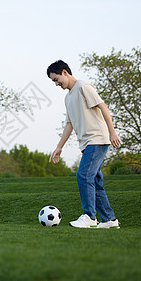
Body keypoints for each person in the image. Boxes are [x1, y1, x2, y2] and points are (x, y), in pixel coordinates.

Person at [47, 60, 120, 229]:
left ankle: (89, 216)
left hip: (97, 139)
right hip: (87, 144)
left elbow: (102, 106)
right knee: (94, 180)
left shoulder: (83, 86)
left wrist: (112, 131)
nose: (56, 84)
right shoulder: (68, 97)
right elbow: (69, 124)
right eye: (53, 81)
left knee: (83, 175)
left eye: (56, 79)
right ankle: (109, 219)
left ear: (65, 72)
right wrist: (59, 147)